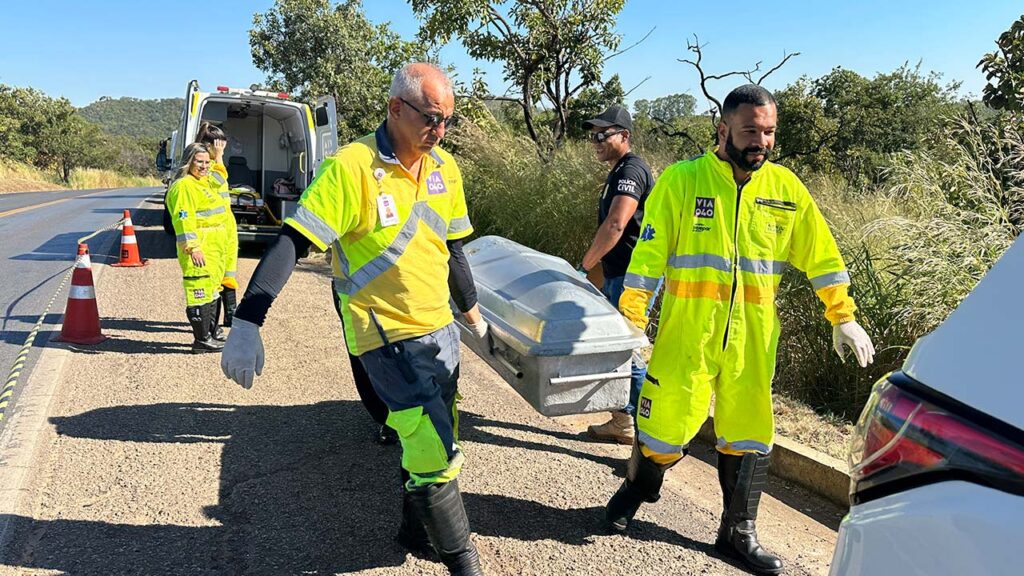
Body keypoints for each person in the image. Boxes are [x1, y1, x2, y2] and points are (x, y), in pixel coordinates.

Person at [220, 63, 487, 575]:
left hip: (439, 331)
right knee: (433, 450)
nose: (441, 131)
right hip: (382, 334)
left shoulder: (444, 168)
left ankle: (415, 530)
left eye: (448, 120)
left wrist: (472, 314)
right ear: (395, 108)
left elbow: (453, 249)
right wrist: (249, 320)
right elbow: (293, 243)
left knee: (440, 432)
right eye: (432, 118)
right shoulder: (352, 168)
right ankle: (464, 562)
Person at [603, 85, 875, 575]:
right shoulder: (683, 181)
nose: (761, 141)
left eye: (769, 131)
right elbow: (648, 258)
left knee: (749, 433)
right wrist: (632, 320)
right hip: (688, 336)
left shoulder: (786, 191)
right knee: (663, 433)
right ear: (723, 129)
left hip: (752, 341)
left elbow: (823, 257)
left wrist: (844, 315)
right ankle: (638, 488)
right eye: (751, 130)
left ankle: (738, 531)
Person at [578, 105, 656, 445]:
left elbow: (616, 224)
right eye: (592, 135)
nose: (595, 141)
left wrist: (583, 266)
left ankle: (648, 439)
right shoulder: (619, 170)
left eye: (602, 134)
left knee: (628, 355)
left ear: (624, 136)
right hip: (617, 276)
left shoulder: (632, 170)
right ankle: (623, 421)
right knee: (617, 351)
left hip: (632, 280)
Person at [166, 142, 230, 353]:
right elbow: (183, 221)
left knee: (212, 291)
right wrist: (193, 248)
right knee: (199, 292)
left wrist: (219, 155)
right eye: (199, 162)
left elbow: (221, 179)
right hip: (198, 248)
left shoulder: (205, 181)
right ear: (188, 162)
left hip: (214, 248)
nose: (204, 166)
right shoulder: (184, 186)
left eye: (206, 162)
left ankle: (210, 334)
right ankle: (201, 340)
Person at [195, 122, 238, 340]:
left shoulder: (212, 163)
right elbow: (219, 180)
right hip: (212, 231)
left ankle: (230, 315)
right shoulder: (204, 165)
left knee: (228, 272)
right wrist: (219, 157)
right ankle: (209, 329)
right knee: (213, 280)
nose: (223, 147)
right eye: (220, 144)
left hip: (226, 227)